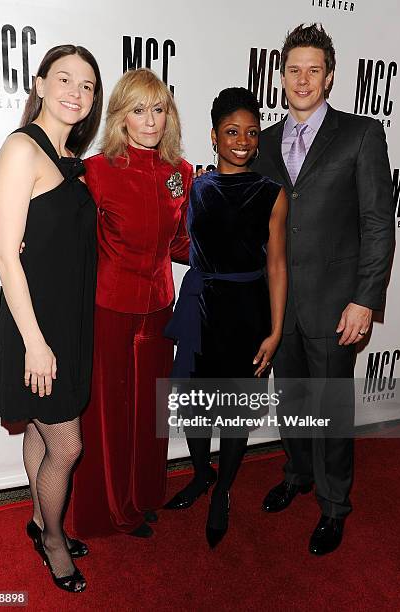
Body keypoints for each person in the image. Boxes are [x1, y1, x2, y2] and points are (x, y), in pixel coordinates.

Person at [252, 23, 395, 555]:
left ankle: (335, 506)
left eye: (314, 70)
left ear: (330, 77)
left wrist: (365, 299)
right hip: (279, 306)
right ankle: (297, 474)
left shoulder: (361, 135)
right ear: (281, 76)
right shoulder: (263, 143)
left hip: (336, 305)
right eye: (294, 69)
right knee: (291, 402)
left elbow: (379, 222)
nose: (303, 79)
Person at [0, 44, 103, 592]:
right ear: (39, 83)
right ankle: (54, 540)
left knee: (42, 431)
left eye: (86, 86)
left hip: (67, 323)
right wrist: (35, 343)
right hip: (37, 327)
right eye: (64, 79)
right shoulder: (22, 149)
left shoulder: (69, 163)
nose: (75, 93)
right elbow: (5, 255)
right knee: (68, 445)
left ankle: (40, 522)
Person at [69, 68, 193, 538]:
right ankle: (109, 510)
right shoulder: (97, 171)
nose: (150, 120)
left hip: (160, 309)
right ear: (121, 117)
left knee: (150, 413)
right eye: (139, 110)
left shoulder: (181, 174)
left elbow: (182, 244)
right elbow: (75, 241)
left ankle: (142, 497)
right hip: (110, 309)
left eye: (158, 109)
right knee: (109, 414)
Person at [164, 87, 288, 548]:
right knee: (195, 409)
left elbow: (276, 265)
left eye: (251, 133)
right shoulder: (194, 186)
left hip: (248, 311)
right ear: (213, 136)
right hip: (200, 307)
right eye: (232, 132)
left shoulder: (272, 195)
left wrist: (275, 330)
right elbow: (170, 236)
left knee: (234, 415)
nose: (242, 140)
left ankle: (224, 493)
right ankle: (200, 474)